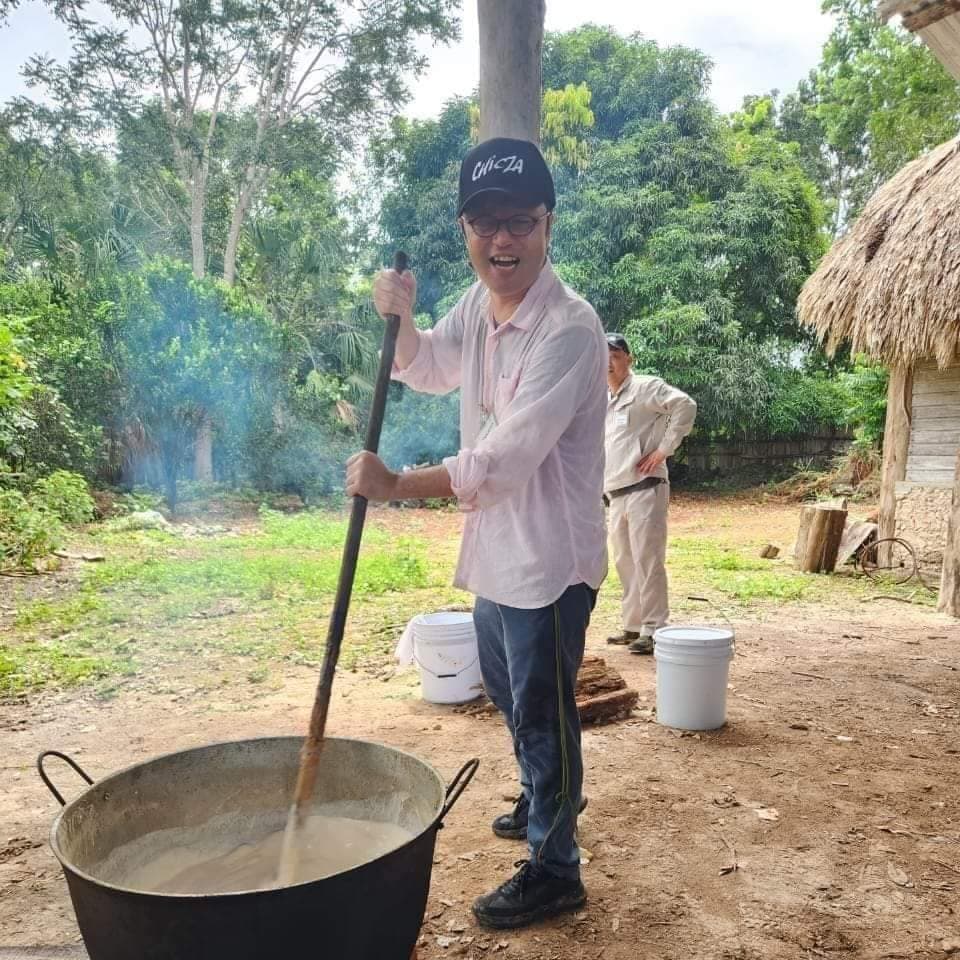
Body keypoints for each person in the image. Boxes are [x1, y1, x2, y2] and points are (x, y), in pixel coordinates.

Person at [345, 137, 608, 930]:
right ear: (465, 230)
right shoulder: (476, 305)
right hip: (497, 551)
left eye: (519, 221)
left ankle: (556, 867)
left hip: (550, 561)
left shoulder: (569, 328)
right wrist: (401, 322)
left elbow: (502, 461)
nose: (502, 240)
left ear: (547, 223)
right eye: (485, 223)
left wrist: (396, 485)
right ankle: (543, 795)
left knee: (543, 710)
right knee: (508, 691)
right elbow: (428, 366)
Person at [604, 334, 696, 654]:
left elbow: (685, 405)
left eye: (615, 355)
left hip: (646, 487)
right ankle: (633, 626)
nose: (608, 362)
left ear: (629, 359)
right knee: (624, 561)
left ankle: (655, 628)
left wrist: (663, 450)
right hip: (616, 491)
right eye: (602, 355)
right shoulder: (603, 399)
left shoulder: (645, 387)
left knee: (647, 558)